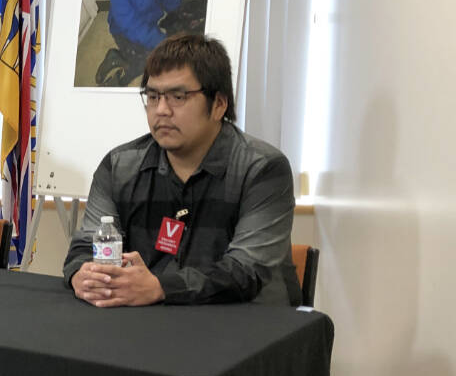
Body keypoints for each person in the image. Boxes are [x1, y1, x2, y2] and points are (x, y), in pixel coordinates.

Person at [65, 33, 301, 306]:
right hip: (151, 323)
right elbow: (85, 246)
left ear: (219, 104)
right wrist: (82, 274)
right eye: (153, 97)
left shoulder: (262, 169)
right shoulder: (119, 167)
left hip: (248, 326)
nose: (161, 110)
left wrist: (160, 287)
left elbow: (245, 270)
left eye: (178, 96)